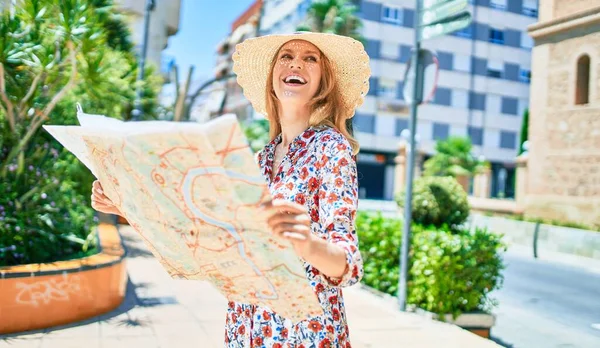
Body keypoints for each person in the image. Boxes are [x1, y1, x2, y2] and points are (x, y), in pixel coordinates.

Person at [91, 31, 371, 347]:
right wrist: (124, 205)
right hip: (246, 325)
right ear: (272, 78)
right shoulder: (258, 160)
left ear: (323, 81)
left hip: (305, 332)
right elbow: (205, 234)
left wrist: (306, 243)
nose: (297, 65)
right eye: (286, 56)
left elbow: (349, 265)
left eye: (310, 59)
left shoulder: (331, 149)